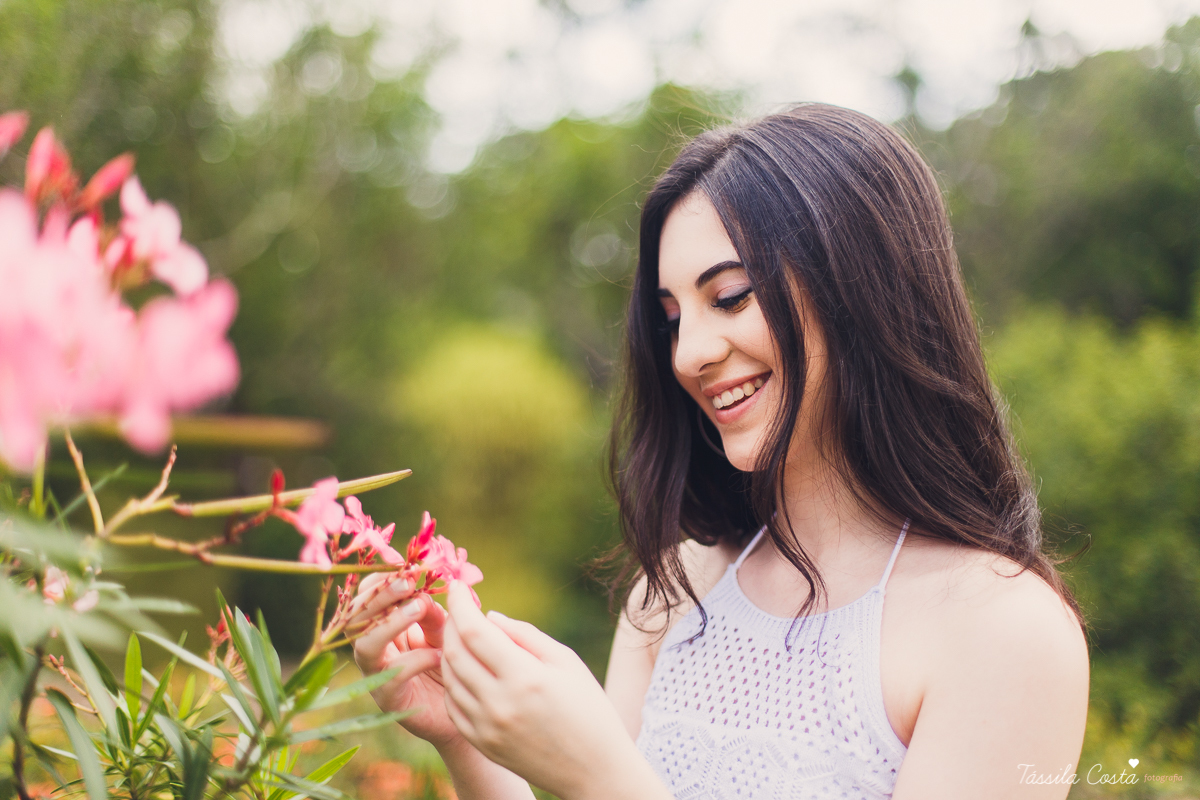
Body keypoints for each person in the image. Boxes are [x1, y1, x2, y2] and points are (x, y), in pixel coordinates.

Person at [351, 103, 1090, 800]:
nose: (690, 355)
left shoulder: (1004, 630)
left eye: (730, 295)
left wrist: (604, 777)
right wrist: (468, 745)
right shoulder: (672, 592)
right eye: (671, 318)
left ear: (862, 289)